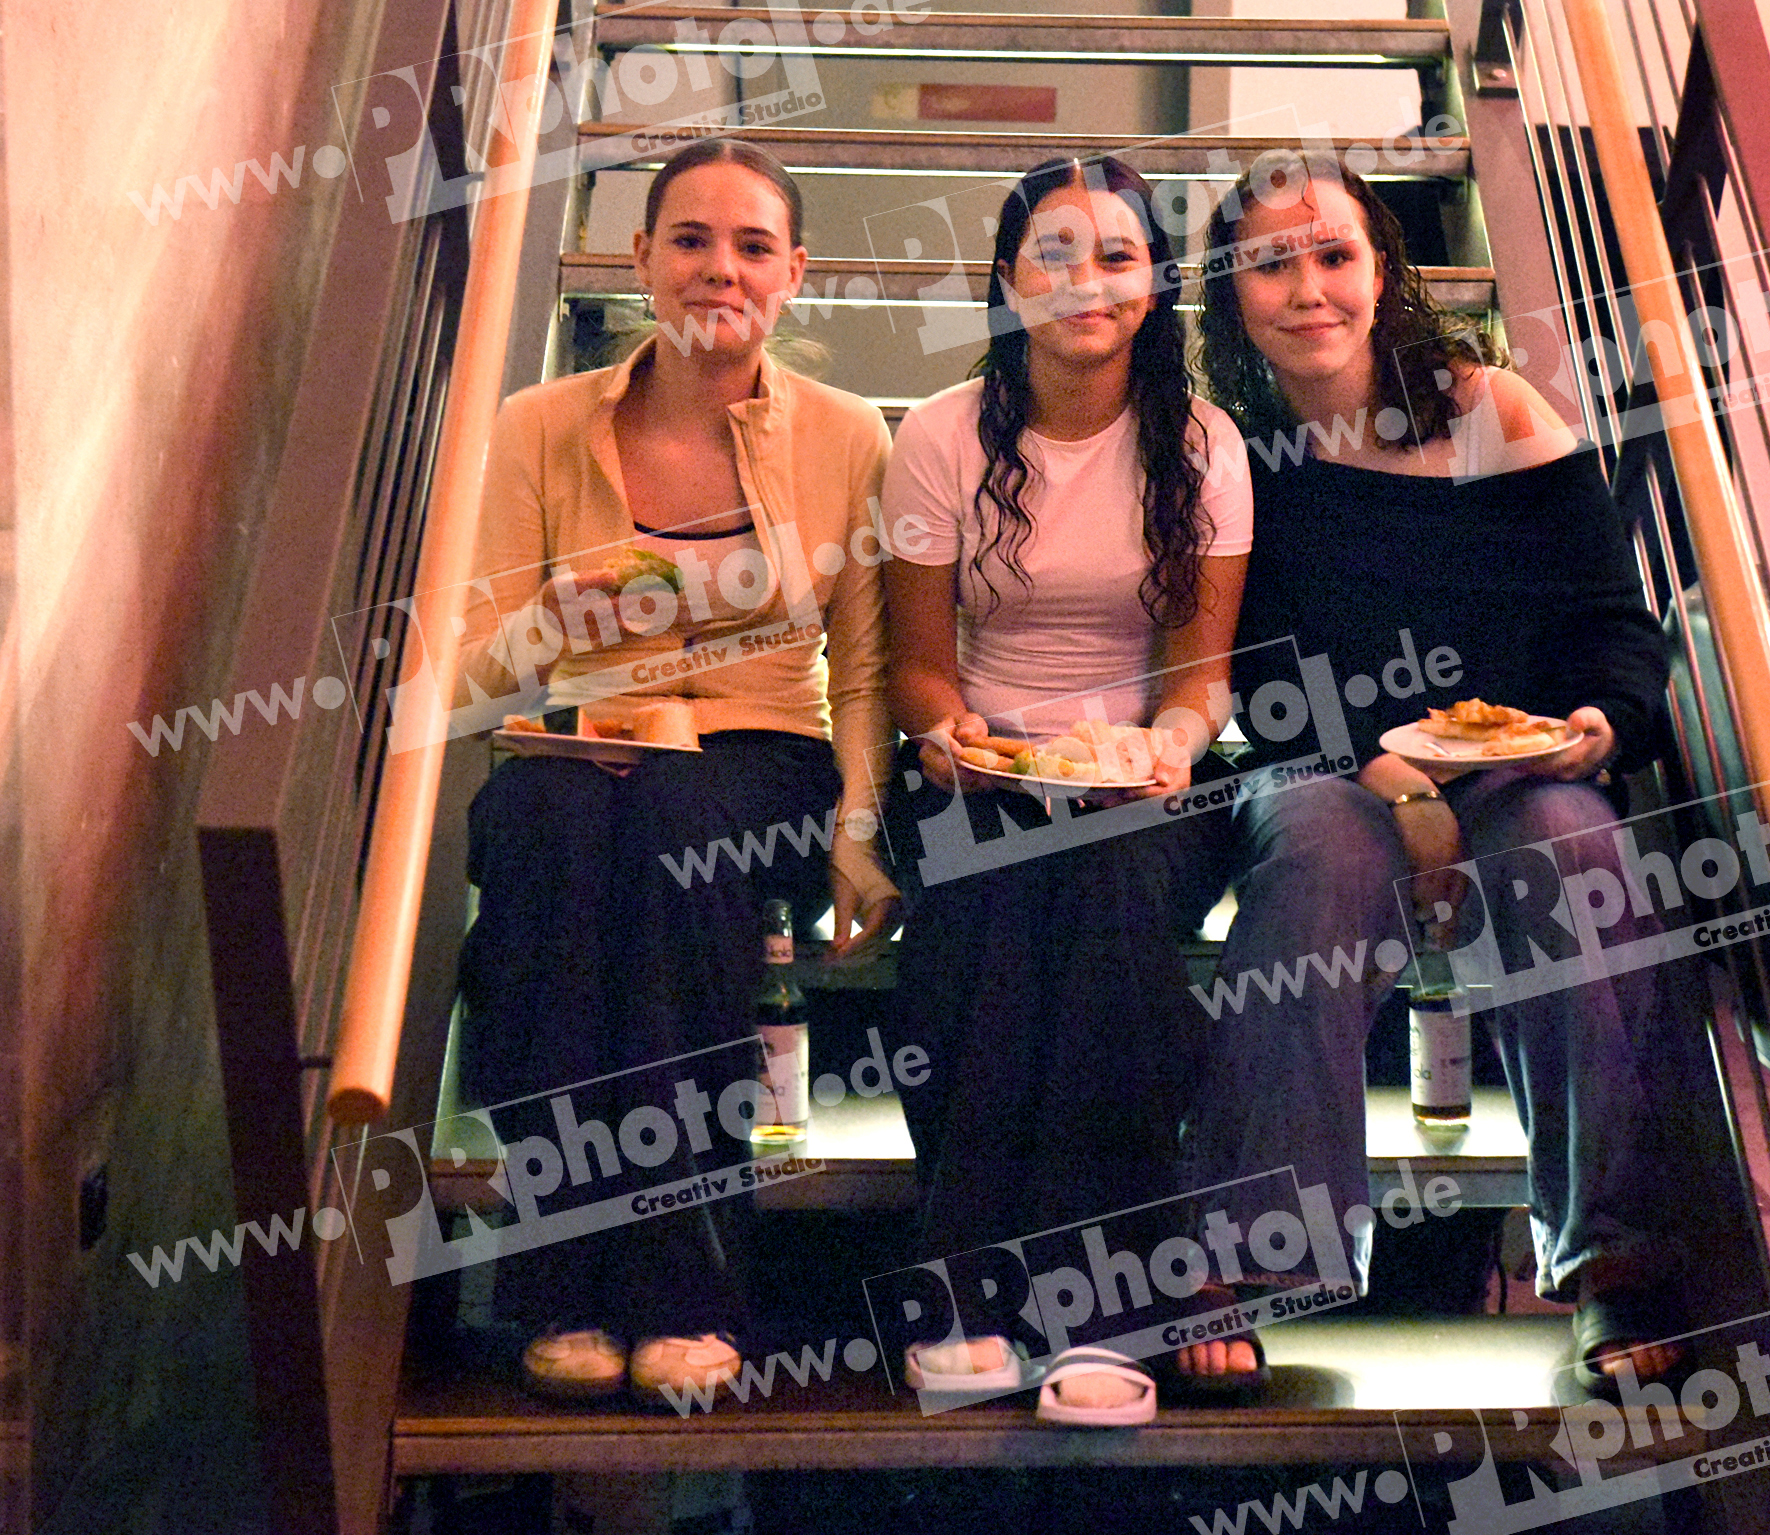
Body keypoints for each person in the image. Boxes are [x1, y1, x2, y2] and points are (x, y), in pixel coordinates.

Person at [1192, 149, 1688, 1396]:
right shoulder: (1227, 448)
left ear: (1381, 269)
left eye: (1333, 255)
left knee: (1572, 845)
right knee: (1314, 856)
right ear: (1230, 291)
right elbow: (1257, 673)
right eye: (1269, 264)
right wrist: (1393, 781)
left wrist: (1600, 720)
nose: (1307, 288)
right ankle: (1254, 1258)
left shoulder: (1491, 411)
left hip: (1517, 760)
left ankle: (1609, 1259)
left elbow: (1611, 620)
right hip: (1326, 765)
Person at [451, 138, 898, 1405]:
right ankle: (567, 1273)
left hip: (763, 747)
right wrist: (555, 621)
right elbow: (468, 682)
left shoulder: (845, 433)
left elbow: (865, 668)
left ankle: (677, 1282)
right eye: (690, 239)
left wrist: (858, 831)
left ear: (793, 272)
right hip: (581, 741)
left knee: (675, 822)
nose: (720, 268)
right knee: (542, 823)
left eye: (752, 246)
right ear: (640, 257)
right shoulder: (539, 424)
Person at [879, 156, 1253, 1421]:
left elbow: (1198, 678)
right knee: (984, 890)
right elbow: (918, 665)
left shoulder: (1204, 446)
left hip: (1140, 770)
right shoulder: (936, 435)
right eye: (1051, 251)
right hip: (975, 759)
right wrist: (948, 733)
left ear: (1153, 285)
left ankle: (1099, 1317)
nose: (1083, 279)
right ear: (1005, 280)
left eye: (1115, 253)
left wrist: (1164, 748)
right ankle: (965, 1297)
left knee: (1110, 883)